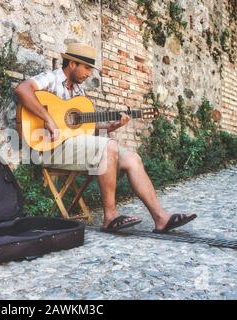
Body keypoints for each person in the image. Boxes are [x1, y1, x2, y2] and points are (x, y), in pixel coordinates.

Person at [14, 42, 196, 233]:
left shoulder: (78, 93)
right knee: (108, 147)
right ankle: (110, 216)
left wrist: (111, 126)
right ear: (72, 64)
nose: (89, 73)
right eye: (86, 68)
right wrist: (48, 119)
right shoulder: (51, 78)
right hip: (46, 148)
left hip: (71, 148)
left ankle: (161, 218)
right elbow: (22, 89)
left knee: (132, 158)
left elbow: (83, 130)